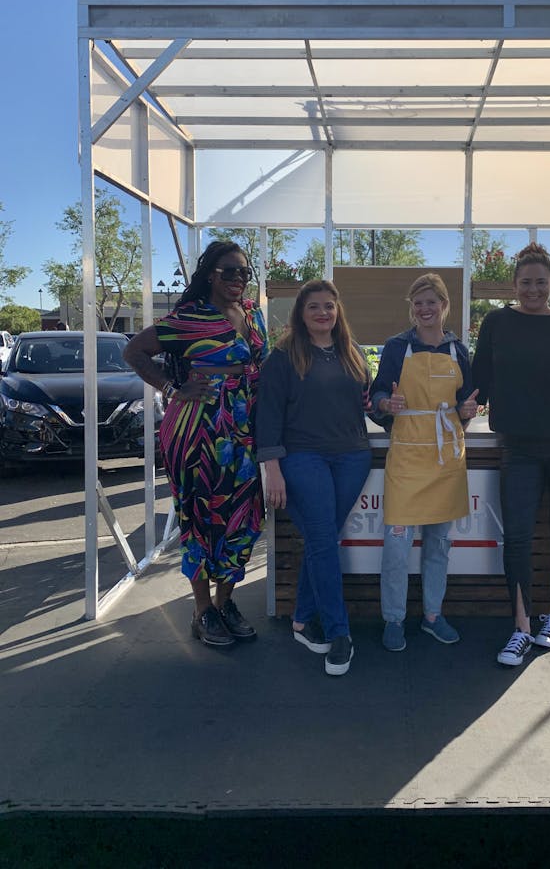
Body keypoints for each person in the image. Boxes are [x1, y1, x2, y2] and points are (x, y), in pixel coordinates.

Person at [124, 241, 268, 648]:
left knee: (242, 517)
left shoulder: (253, 314)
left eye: (243, 272)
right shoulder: (189, 318)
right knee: (202, 517)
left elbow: (266, 366)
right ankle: (202, 611)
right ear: (210, 275)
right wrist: (171, 387)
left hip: (244, 429)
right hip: (198, 428)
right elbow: (133, 350)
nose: (237, 279)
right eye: (228, 271)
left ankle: (226, 603)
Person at [472, 242, 550, 667]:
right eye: (525, 282)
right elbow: (479, 379)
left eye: (540, 282)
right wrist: (462, 404)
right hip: (519, 447)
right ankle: (522, 626)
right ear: (514, 285)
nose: (533, 289)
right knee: (518, 537)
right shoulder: (496, 323)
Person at [256, 280, 371, 677]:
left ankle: (302, 619)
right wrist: (271, 469)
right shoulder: (283, 358)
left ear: (338, 312)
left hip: (353, 458)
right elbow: (267, 417)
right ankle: (340, 633)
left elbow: (368, 405)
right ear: (301, 314)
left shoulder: (351, 354)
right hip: (303, 458)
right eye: (314, 307)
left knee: (323, 541)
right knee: (323, 540)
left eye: (329, 306)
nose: (323, 313)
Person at [370, 273, 478, 652]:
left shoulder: (459, 350)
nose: (425, 309)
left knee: (439, 545)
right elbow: (378, 392)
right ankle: (394, 619)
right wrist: (386, 403)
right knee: (397, 547)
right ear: (411, 309)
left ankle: (433, 615)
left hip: (446, 457)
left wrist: (468, 409)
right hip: (406, 455)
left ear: (444, 306)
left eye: (432, 302)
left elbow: (468, 401)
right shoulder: (397, 347)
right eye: (418, 303)